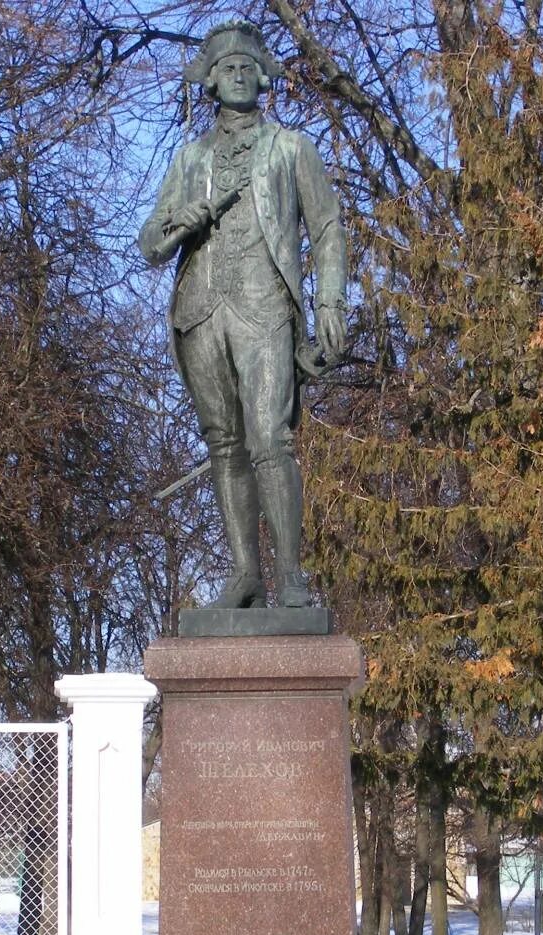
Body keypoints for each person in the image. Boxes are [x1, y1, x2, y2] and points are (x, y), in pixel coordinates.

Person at [138, 20, 347, 609]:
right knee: (224, 445)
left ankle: (293, 578)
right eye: (224, 66)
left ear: (261, 77)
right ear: (208, 82)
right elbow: (151, 240)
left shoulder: (290, 147)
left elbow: (326, 225)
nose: (236, 73)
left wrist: (331, 299)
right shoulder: (189, 158)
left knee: (270, 439)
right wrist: (184, 221)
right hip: (201, 312)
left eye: (246, 65)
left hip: (265, 308)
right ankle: (245, 573)